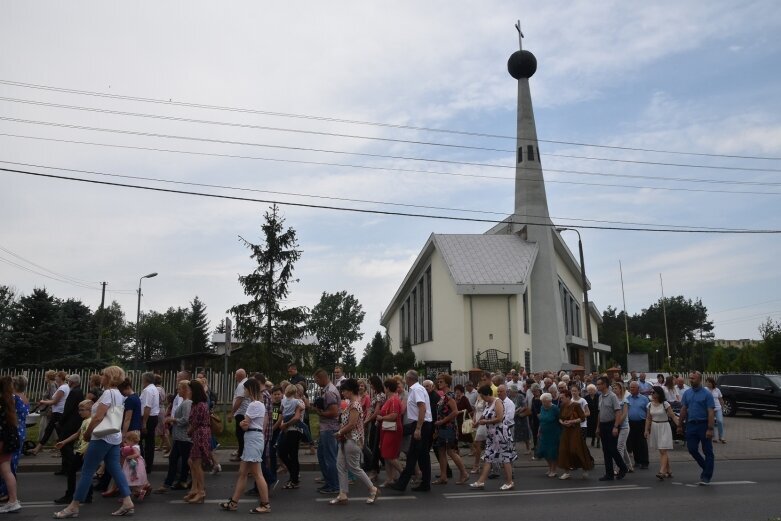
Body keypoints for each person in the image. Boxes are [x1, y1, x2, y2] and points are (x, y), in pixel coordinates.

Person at [54, 366, 135, 518]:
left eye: (103, 375)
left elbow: (98, 417)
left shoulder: (107, 393)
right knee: (115, 469)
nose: (101, 377)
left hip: (101, 437)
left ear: (109, 377)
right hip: (113, 437)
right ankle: (127, 501)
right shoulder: (118, 393)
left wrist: (88, 433)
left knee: (87, 471)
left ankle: (74, 505)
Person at [220, 379, 271, 514]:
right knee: (243, 473)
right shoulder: (258, 404)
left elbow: (245, 423)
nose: (244, 392)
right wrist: (244, 424)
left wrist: (244, 423)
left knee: (257, 474)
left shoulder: (254, 404)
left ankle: (265, 504)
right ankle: (234, 502)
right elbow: (245, 423)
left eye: (245, 389)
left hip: (253, 438)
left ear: (250, 389)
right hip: (253, 438)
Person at [328, 379, 379, 506]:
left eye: (344, 390)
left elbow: (352, 424)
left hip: (352, 440)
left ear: (350, 390)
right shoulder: (352, 404)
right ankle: (343, 494)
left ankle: (373, 489)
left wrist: (339, 433)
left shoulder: (355, 405)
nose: (343, 393)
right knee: (341, 466)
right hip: (346, 440)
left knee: (354, 468)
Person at [388, 370, 433, 493]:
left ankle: (403, 484)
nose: (405, 380)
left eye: (406, 378)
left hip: (421, 424)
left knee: (413, 455)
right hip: (422, 424)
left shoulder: (416, 390)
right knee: (422, 456)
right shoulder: (418, 389)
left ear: (409, 379)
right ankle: (424, 483)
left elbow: (422, 408)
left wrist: (418, 428)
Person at [469, 385, 516, 490]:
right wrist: (477, 423)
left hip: (500, 434)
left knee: (505, 458)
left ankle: (509, 482)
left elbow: (499, 418)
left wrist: (485, 422)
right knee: (488, 457)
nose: (482, 398)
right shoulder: (488, 403)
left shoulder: (497, 402)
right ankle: (481, 481)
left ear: (488, 394)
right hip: (492, 435)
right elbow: (484, 415)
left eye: (483, 396)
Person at [678, 371, 715, 485]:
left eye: (693, 378)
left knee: (707, 450)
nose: (691, 380)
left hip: (703, 425)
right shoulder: (687, 393)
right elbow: (684, 409)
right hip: (691, 425)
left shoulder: (707, 394)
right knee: (692, 449)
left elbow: (710, 412)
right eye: (690, 378)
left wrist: (710, 428)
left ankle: (706, 477)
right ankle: (706, 467)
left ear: (699, 379)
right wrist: (679, 424)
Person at [54, 399, 94, 505]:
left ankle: (70, 495)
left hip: (83, 451)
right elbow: (77, 434)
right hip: (79, 450)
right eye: (79, 410)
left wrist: (87, 451)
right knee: (86, 472)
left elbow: (93, 438)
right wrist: (64, 442)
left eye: (82, 410)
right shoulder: (85, 420)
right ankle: (88, 496)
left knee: (72, 471)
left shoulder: (90, 421)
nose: (79, 412)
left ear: (90, 410)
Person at [432, 374, 468, 485]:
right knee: (441, 451)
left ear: (447, 383)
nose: (439, 383)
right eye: (438, 381)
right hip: (442, 428)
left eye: (441, 381)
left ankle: (464, 473)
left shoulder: (449, 395)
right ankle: (443, 476)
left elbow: (455, 411)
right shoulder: (444, 396)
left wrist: (443, 421)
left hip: (448, 427)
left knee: (450, 451)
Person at [157, 380, 192, 493]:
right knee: (176, 459)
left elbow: (186, 420)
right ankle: (180, 481)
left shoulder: (187, 403)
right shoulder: (184, 401)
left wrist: (173, 419)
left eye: (180, 388)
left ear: (186, 390)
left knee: (182, 460)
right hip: (180, 437)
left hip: (183, 437)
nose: (178, 390)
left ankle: (175, 482)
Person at [310, 368, 340, 494]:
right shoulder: (328, 390)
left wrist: (319, 412)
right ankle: (329, 482)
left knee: (329, 457)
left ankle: (334, 485)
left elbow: (334, 412)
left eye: (316, 380)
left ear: (322, 378)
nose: (316, 382)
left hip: (329, 429)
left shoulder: (329, 392)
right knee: (322, 455)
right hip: (326, 428)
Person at [0, 376, 28, 503]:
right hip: (18, 432)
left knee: (7, 467)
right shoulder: (22, 397)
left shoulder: (10, 398)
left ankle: (7, 493)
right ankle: (10, 495)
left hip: (9, 433)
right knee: (11, 464)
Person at [596, 376, 628, 481]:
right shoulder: (600, 396)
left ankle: (623, 467)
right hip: (603, 425)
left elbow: (618, 412)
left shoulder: (612, 396)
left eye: (599, 384)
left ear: (605, 384)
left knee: (613, 449)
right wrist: (598, 427)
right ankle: (609, 473)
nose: (598, 386)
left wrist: (615, 426)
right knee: (606, 450)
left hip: (611, 425)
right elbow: (600, 413)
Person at [557, 390, 593, 480]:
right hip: (565, 431)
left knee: (576, 450)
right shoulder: (562, 406)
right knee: (564, 450)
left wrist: (572, 421)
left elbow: (583, 418)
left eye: (563, 398)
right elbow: (560, 418)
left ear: (568, 397)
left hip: (575, 431)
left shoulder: (576, 405)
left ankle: (585, 468)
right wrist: (563, 423)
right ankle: (566, 471)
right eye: (560, 398)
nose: (561, 399)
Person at [185, 380, 210, 503]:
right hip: (197, 434)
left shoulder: (200, 405)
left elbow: (196, 422)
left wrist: (189, 430)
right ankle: (195, 489)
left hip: (200, 434)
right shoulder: (196, 404)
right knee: (192, 461)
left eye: (189, 390)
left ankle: (201, 491)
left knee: (197, 463)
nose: (188, 392)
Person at [645, 386, 678, 480]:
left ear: (659, 393)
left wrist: (680, 426)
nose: (652, 395)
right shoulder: (649, 405)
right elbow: (648, 418)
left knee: (663, 450)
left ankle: (662, 471)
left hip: (664, 426)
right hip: (655, 427)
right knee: (661, 450)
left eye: (654, 393)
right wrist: (646, 430)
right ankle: (669, 470)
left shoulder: (665, 404)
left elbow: (673, 416)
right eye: (651, 393)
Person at [276, 384, 305, 489]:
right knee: (283, 452)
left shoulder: (298, 402)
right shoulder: (288, 401)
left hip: (294, 431)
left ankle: (294, 478)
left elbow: (297, 417)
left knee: (291, 454)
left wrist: (285, 424)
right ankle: (294, 475)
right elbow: (282, 413)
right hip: (287, 430)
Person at [36, 371, 70, 456]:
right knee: (50, 430)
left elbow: (54, 401)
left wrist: (43, 401)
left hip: (58, 412)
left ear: (60, 378)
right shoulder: (64, 387)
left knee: (55, 431)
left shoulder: (62, 388)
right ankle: (38, 448)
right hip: (57, 412)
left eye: (57, 376)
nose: (55, 378)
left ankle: (61, 450)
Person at [376, 379, 403, 487]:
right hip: (387, 429)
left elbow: (394, 415)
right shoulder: (391, 399)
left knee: (389, 455)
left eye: (384, 387)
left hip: (392, 429)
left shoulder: (394, 400)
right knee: (386, 454)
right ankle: (390, 478)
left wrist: (382, 417)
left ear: (387, 388)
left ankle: (403, 473)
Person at [364, 376, 386, 479]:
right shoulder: (377, 394)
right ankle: (380, 466)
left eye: (371, 383)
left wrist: (367, 420)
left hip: (376, 422)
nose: (370, 386)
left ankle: (375, 469)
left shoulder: (380, 395)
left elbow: (376, 411)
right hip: (374, 421)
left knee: (374, 446)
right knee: (373, 445)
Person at [535, 392, 561, 478]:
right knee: (544, 451)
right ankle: (550, 468)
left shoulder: (555, 408)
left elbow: (560, 420)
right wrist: (539, 431)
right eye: (542, 401)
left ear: (549, 400)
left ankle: (554, 470)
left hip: (554, 433)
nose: (542, 403)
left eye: (544, 401)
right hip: (544, 433)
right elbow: (541, 420)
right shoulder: (542, 407)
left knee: (552, 452)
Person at [32, 370, 57, 456]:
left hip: (48, 411)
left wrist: (50, 409)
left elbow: (54, 398)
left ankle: (43, 447)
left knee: (45, 428)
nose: (44, 378)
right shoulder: (51, 384)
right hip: (47, 410)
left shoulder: (52, 385)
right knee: (50, 428)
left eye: (45, 376)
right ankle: (52, 446)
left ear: (49, 377)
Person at [139, 372, 160, 474]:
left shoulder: (147, 390)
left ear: (146, 380)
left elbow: (147, 407)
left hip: (148, 418)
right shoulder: (154, 389)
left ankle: (143, 463)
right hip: (153, 417)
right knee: (150, 443)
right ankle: (148, 465)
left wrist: (144, 423)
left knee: (140, 441)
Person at [626, 381, 650, 470]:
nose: (631, 389)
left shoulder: (644, 399)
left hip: (641, 422)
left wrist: (648, 426)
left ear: (638, 389)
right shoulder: (628, 398)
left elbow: (648, 413)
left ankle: (645, 462)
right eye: (630, 387)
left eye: (633, 387)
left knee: (642, 443)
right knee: (633, 442)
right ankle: (637, 461)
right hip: (631, 423)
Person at [121, 431, 150, 500]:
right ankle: (130, 495)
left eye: (127, 441)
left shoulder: (135, 447)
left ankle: (139, 492)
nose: (126, 443)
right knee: (131, 482)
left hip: (133, 465)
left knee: (129, 481)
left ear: (131, 440)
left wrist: (129, 457)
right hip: (133, 464)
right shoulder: (134, 446)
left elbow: (137, 454)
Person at [612, 380, 633, 473]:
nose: (614, 390)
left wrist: (617, 424)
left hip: (624, 427)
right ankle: (629, 466)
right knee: (623, 447)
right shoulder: (613, 400)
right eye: (613, 388)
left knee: (619, 447)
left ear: (620, 389)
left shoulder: (625, 401)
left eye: (616, 388)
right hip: (616, 426)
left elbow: (624, 415)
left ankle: (617, 468)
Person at [229, 369, 249, 462]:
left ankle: (241, 454)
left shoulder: (241, 385)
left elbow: (239, 400)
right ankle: (241, 452)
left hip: (241, 413)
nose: (235, 377)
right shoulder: (244, 383)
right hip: (243, 412)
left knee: (240, 434)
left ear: (240, 375)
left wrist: (232, 413)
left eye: (236, 375)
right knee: (241, 434)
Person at [510, 386, 531, 455]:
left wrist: (517, 411)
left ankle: (528, 448)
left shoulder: (520, 396)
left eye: (511, 391)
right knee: (514, 433)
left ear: (515, 391)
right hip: (514, 418)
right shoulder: (510, 397)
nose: (510, 393)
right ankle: (513, 448)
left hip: (521, 417)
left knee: (525, 433)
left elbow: (525, 406)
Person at [705, 377, 726, 443]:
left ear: (712, 383)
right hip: (709, 409)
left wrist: (722, 407)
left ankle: (721, 436)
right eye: (707, 382)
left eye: (709, 382)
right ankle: (714, 437)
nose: (708, 383)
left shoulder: (717, 390)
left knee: (720, 421)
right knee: (712, 422)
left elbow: (720, 399)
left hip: (718, 408)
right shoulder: (705, 390)